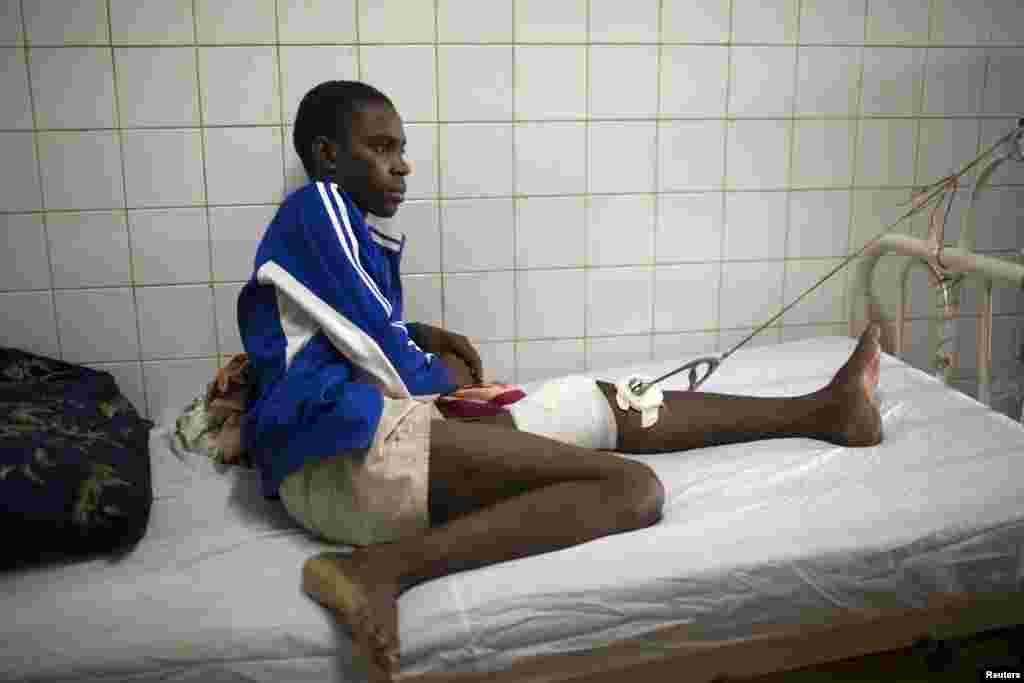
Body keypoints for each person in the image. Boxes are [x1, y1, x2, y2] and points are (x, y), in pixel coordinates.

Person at [238, 80, 883, 682]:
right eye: (382, 148)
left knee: (607, 403)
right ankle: (378, 569)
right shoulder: (317, 208)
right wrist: (448, 375)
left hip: (362, 438)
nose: (402, 165)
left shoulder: (341, 228)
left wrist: (431, 341)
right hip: (342, 458)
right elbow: (391, 359)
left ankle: (822, 411)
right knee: (631, 489)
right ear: (326, 154)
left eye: (402, 149)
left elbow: (351, 332)